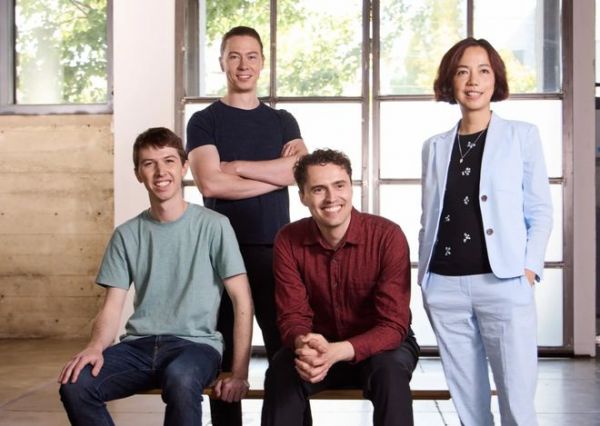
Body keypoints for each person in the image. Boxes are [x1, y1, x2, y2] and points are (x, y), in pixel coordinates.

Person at [58, 127, 253, 426]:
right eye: (149, 164)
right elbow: (112, 305)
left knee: (181, 377)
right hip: (138, 346)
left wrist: (239, 373)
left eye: (169, 161)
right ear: (138, 173)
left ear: (184, 166)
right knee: (77, 384)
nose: (161, 172)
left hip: (196, 346)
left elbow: (242, 301)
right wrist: (96, 346)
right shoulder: (126, 235)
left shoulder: (215, 226)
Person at [418, 38, 553, 426]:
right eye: (462, 71)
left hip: (505, 282)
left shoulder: (521, 136)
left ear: (496, 79)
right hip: (444, 286)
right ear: (450, 80)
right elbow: (430, 215)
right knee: (469, 405)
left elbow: (540, 210)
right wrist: (426, 280)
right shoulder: (434, 147)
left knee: (517, 401)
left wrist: (529, 269)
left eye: (483, 71)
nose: (473, 81)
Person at [186, 26, 307, 425]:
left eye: (251, 56)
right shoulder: (204, 121)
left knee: (285, 351)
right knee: (224, 357)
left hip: (276, 251)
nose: (243, 64)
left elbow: (299, 172)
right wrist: (275, 176)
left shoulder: (283, 120)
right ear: (222, 61)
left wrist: (236, 167)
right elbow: (210, 183)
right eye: (234, 56)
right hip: (220, 252)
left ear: (262, 63)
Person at [261, 149, 420, 426]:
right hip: (318, 345)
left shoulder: (387, 236)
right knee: (281, 371)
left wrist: (337, 351)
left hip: (382, 347)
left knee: (390, 373)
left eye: (339, 185)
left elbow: (393, 325)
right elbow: (292, 317)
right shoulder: (288, 239)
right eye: (318, 189)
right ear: (303, 196)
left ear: (351, 187)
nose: (332, 198)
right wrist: (304, 344)